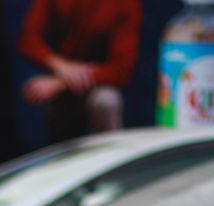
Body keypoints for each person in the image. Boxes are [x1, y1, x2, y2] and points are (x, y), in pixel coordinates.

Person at [17, 0, 143, 144]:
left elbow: (121, 70)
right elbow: (28, 40)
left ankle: (111, 155)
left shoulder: (125, 4)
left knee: (106, 100)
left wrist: (62, 82)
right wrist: (60, 66)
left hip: (98, 82)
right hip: (58, 77)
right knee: (33, 91)